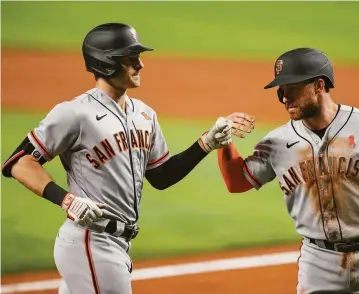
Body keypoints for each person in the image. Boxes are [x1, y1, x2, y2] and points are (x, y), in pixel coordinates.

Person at [2, 22, 254, 294]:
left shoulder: (144, 114)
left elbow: (161, 176)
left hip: (118, 244)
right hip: (91, 242)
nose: (140, 65)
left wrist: (204, 144)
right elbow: (19, 162)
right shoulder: (74, 114)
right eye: (130, 59)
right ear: (106, 63)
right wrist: (66, 199)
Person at [216, 47, 359, 293]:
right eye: (281, 92)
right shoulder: (278, 142)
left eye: (292, 89)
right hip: (318, 262)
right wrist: (225, 143)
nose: (285, 98)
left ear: (318, 85)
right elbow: (237, 182)